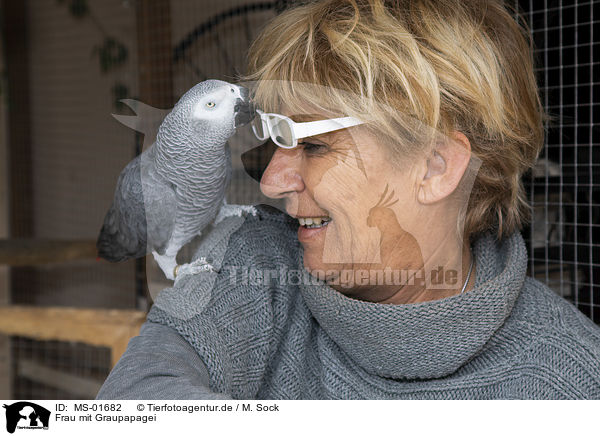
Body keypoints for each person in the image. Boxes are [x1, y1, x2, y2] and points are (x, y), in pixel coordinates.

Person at [97, 0, 600, 399]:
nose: (271, 182)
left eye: (313, 145)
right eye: (276, 141)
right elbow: (136, 399)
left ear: (437, 166)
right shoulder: (250, 263)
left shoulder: (569, 381)